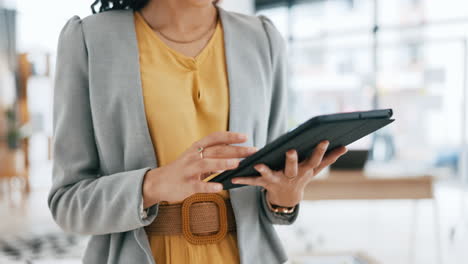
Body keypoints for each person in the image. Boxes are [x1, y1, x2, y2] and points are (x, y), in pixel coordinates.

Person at [48, 0, 348, 263]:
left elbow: (270, 186)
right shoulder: (90, 39)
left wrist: (284, 197)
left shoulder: (263, 38)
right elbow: (67, 202)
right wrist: (152, 185)